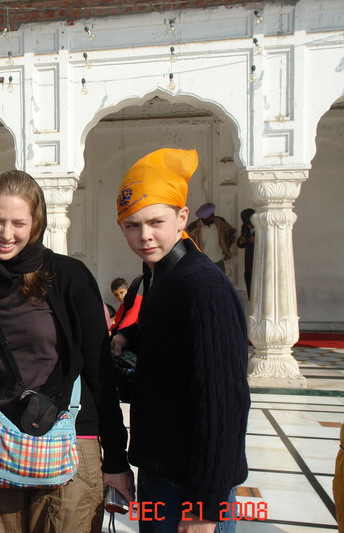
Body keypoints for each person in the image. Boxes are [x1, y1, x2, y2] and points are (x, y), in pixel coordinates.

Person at [0, 170, 133, 533]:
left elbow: (100, 372)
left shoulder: (68, 277)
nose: (6, 234)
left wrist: (117, 460)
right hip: (0, 445)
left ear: (36, 223)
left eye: (18, 222)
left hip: (70, 439)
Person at [111, 148, 249, 532]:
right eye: (132, 225)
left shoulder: (202, 287)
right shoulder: (163, 276)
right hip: (161, 471)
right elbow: (176, 336)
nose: (145, 235)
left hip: (189, 487)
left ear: (182, 217)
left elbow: (224, 403)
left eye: (156, 221)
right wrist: (127, 334)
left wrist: (204, 509)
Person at [186, 202, 237, 272]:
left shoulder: (220, 222)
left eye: (213, 215)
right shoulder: (193, 229)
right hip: (202, 263)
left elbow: (231, 233)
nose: (212, 219)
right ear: (202, 218)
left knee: (220, 282)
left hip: (219, 262)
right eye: (209, 218)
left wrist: (226, 247)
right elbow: (187, 247)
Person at [236, 208, 255, 298]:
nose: (248, 226)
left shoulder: (262, 227)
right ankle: (250, 299)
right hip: (249, 258)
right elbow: (241, 245)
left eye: (249, 223)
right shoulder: (245, 226)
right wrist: (241, 241)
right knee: (249, 277)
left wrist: (254, 240)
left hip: (259, 259)